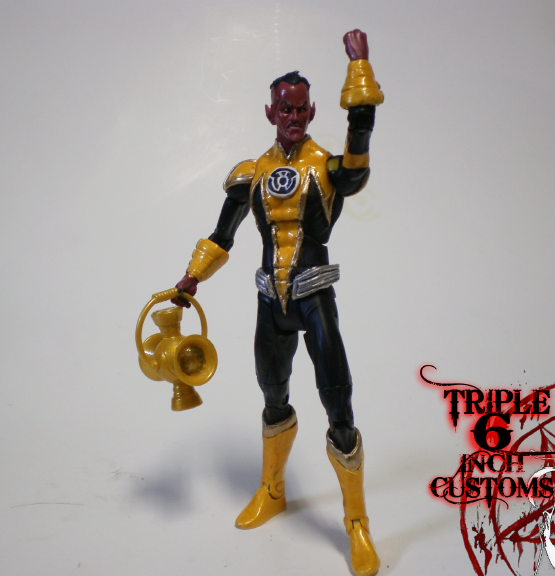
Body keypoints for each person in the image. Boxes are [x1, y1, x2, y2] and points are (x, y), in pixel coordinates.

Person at [172, 29, 384, 576]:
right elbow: (222, 236)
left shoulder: (328, 168)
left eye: (300, 109)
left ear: (312, 111)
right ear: (270, 111)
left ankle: (357, 523)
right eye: (284, 109)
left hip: (314, 296)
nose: (292, 116)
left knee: (339, 408)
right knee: (272, 396)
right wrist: (192, 278)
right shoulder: (251, 174)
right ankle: (273, 490)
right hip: (271, 302)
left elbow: (358, 154)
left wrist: (359, 70)